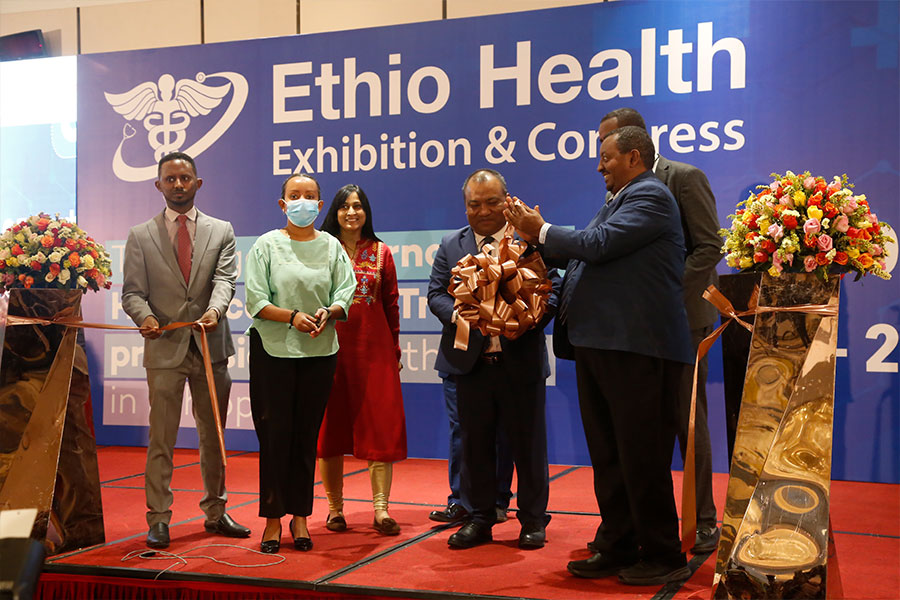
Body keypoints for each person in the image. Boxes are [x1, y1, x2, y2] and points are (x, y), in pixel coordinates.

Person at [505, 126, 693, 585]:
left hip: (635, 348)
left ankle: (664, 552)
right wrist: (535, 248)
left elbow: (598, 246)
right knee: (610, 454)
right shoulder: (618, 200)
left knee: (641, 454)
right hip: (602, 346)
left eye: (606, 157)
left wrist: (542, 229)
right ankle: (618, 542)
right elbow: (586, 258)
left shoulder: (650, 195)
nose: (598, 165)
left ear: (633, 157)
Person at [598, 108, 722, 554]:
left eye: (608, 146)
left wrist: (670, 294)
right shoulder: (617, 192)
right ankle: (643, 524)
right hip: (635, 329)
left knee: (686, 421)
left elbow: (710, 244)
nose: (601, 160)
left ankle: (705, 520)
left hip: (682, 321)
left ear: (636, 145)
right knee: (640, 429)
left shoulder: (683, 176)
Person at [122, 151, 249, 549]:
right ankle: (158, 518)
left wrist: (215, 310)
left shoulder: (221, 230)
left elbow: (226, 279)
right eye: (171, 179)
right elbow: (132, 293)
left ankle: (216, 511)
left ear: (198, 183)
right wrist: (144, 317)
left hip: (211, 348)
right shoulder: (140, 236)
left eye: (185, 178)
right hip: (164, 349)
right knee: (161, 438)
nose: (178, 184)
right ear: (158, 185)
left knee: (215, 435)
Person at [428, 168, 560, 550]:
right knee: (475, 446)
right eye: (474, 204)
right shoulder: (451, 245)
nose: (483, 211)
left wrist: (528, 318)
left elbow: (553, 287)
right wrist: (460, 314)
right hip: (471, 366)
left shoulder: (530, 240)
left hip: (521, 362)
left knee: (528, 447)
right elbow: (436, 293)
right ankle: (480, 519)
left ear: (507, 201)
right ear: (465, 207)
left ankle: (533, 520)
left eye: (491, 202)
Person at [244, 173, 356, 553]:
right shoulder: (266, 245)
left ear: (320, 206)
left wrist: (331, 311)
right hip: (273, 350)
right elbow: (255, 301)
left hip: (319, 351)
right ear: (283, 204)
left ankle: (301, 518)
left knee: (306, 437)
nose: (303, 202)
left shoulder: (332, 246)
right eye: (295, 195)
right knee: (275, 436)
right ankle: (273, 520)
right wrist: (291, 317)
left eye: (310, 196)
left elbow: (346, 288)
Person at [316, 184, 408, 536]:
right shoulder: (320, 250)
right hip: (328, 351)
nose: (351, 212)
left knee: (379, 426)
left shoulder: (382, 252)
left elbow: (391, 306)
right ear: (334, 212)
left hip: (375, 353)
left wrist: (394, 351)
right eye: (344, 206)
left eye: (358, 206)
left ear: (366, 212)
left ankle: (381, 511)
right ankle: (334, 509)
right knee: (329, 428)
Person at [428, 374, 514, 525]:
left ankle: (497, 500)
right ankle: (459, 501)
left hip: (496, 363)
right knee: (460, 428)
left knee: (500, 429)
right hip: (456, 363)